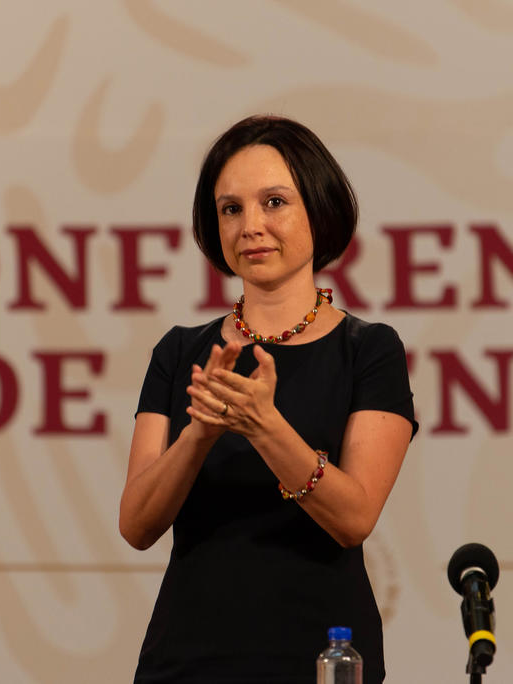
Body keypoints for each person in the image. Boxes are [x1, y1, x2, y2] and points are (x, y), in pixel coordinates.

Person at [119, 115, 417, 683]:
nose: (251, 226)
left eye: (274, 202)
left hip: (323, 656)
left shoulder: (369, 350)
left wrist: (264, 425)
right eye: (231, 209)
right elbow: (136, 525)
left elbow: (354, 518)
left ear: (318, 209)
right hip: (186, 663)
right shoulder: (180, 352)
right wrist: (199, 434)